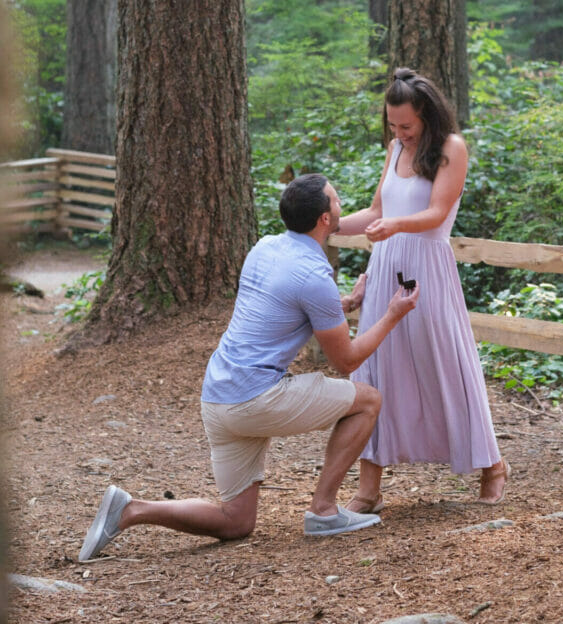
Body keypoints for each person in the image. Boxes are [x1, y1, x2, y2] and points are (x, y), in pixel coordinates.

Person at [78, 173, 419, 560]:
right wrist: (393, 314)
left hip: (218, 397)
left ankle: (130, 509)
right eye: (337, 200)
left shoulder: (266, 247)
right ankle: (324, 510)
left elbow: (279, 307)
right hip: (255, 400)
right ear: (325, 219)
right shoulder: (313, 273)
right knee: (369, 400)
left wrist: (339, 305)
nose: (341, 206)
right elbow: (347, 361)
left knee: (235, 522)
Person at [338, 68, 509, 512]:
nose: (399, 134)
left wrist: (394, 225)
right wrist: (328, 225)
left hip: (427, 267)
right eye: (393, 126)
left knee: (448, 362)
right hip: (386, 266)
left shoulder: (451, 148)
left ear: (428, 117)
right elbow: (378, 209)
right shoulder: (395, 148)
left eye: (407, 126)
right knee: (374, 370)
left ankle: (491, 465)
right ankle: (368, 489)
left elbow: (436, 213)